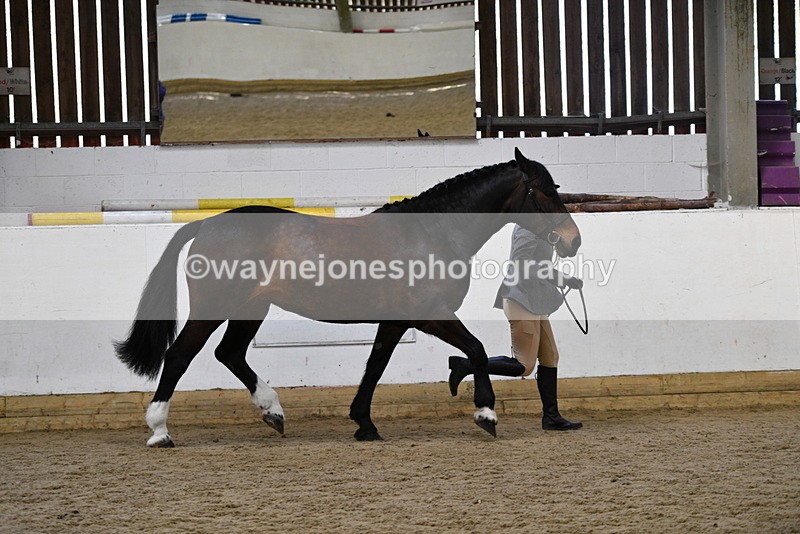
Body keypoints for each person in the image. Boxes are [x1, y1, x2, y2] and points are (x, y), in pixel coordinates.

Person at [448, 224, 583, 431]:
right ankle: (466, 365)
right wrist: (561, 278)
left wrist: (565, 279)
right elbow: (521, 264)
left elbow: (537, 264)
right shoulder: (527, 230)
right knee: (524, 366)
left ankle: (551, 417)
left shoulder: (540, 230)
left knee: (550, 357)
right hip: (521, 299)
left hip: (535, 300)